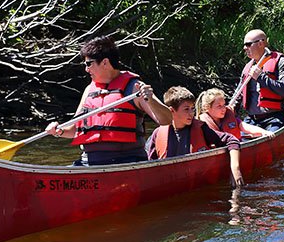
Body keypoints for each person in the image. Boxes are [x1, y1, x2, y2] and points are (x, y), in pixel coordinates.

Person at [46, 36, 172, 166]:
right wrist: (58, 131)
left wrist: (151, 100)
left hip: (126, 162)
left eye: (89, 64)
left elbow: (166, 120)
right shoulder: (89, 89)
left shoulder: (134, 87)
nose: (86, 69)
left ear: (105, 62)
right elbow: (74, 129)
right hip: (88, 162)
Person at [146, 86, 244, 188]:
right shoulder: (157, 134)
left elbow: (231, 140)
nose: (191, 113)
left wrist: (235, 168)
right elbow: (151, 165)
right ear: (172, 111)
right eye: (186, 109)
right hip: (171, 186)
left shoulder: (201, 128)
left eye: (192, 109)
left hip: (199, 185)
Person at [237, 29, 284, 132]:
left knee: (271, 137)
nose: (245, 48)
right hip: (252, 119)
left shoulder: (281, 62)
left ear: (261, 43)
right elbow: (239, 92)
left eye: (248, 44)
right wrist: (229, 108)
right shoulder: (247, 67)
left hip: (274, 118)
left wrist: (260, 77)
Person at [196, 88, 269, 139]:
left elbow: (245, 126)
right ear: (207, 108)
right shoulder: (201, 124)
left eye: (224, 105)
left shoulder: (229, 115)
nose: (224, 109)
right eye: (219, 106)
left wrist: (263, 132)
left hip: (235, 149)